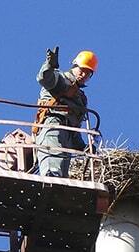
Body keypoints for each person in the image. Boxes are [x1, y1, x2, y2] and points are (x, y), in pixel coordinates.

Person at [34, 46, 97, 177]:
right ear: (75, 65)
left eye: (88, 73)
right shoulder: (61, 78)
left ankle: (57, 190)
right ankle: (50, 180)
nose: (84, 75)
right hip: (53, 125)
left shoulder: (81, 98)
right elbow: (45, 78)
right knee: (53, 165)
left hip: (68, 134)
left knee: (63, 173)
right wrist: (50, 65)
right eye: (82, 70)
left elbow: (75, 128)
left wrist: (83, 147)